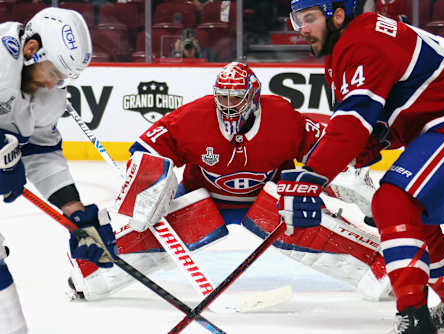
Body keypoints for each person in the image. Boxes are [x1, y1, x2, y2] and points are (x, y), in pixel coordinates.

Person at [67, 61, 392, 303]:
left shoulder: (281, 116)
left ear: (252, 97)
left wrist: (352, 176)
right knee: (148, 235)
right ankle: (92, 273)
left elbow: (327, 149)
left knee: (309, 225)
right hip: (204, 197)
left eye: (235, 97)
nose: (226, 104)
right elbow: (146, 149)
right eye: (221, 96)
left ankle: (380, 269)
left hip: (270, 200)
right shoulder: (193, 117)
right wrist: (148, 184)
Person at [284, 0, 444, 333]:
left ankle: (414, 318)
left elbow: (353, 123)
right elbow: (372, 127)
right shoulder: (350, 46)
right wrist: (361, 151)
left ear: (338, 15)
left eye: (309, 18)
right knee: (410, 212)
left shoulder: (360, 44)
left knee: (393, 202)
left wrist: (311, 176)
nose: (301, 28)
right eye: (296, 20)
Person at [0, 7, 118, 334]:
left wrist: (75, 213)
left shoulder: (49, 96)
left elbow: (40, 151)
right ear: (30, 49)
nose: (56, 84)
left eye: (65, 78)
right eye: (54, 72)